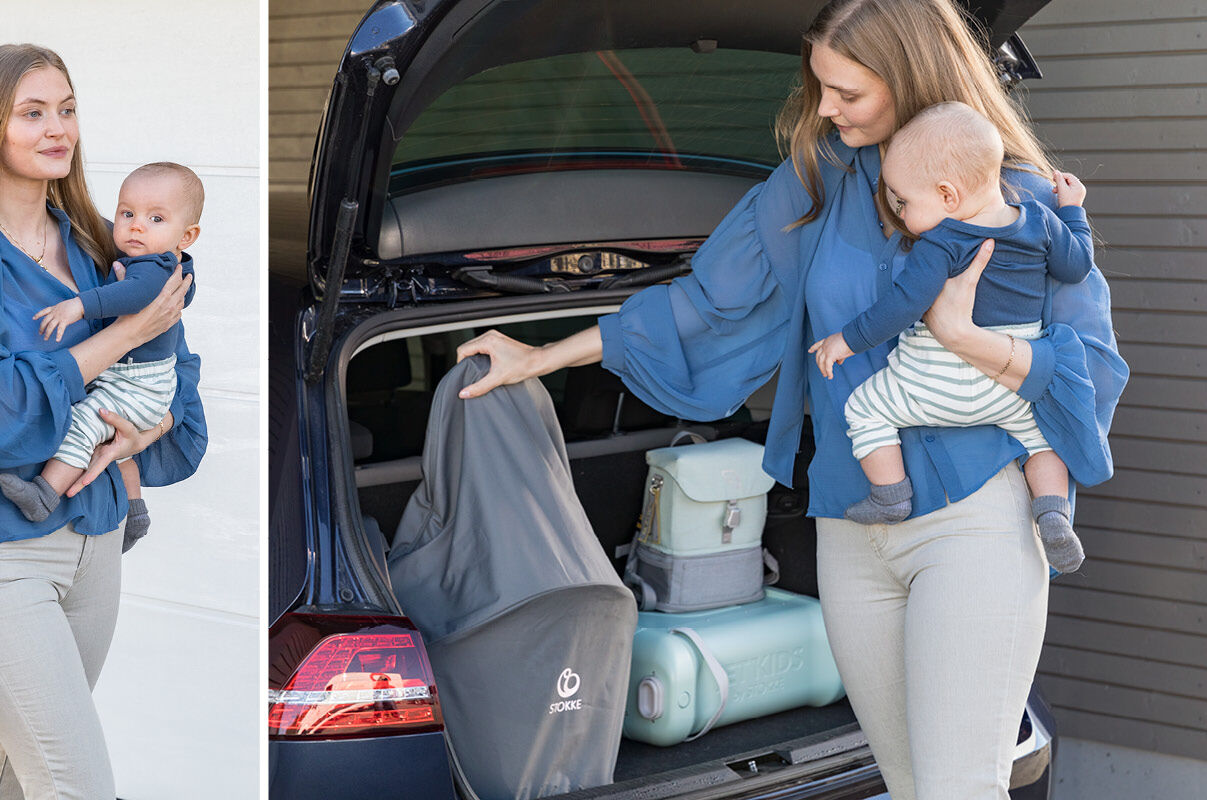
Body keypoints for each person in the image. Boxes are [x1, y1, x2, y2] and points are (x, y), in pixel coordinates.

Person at [454, 1, 1126, 797]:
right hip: (854, 525)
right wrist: (539, 355)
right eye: (821, 88)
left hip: (975, 521)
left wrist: (968, 337)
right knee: (910, 786)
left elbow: (1090, 362)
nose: (826, 110)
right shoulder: (818, 179)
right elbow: (707, 304)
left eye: (848, 92)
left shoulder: (1011, 197)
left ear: (909, 77)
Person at [0, 44, 207, 799]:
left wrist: (140, 432)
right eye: (33, 112)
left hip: (97, 547)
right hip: (3, 556)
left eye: (66, 109)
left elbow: (180, 402)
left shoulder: (104, 239)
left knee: (11, 782)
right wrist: (119, 339)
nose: (57, 128)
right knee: (79, 786)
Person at [807, 102, 1095, 573]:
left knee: (865, 409)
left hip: (932, 380)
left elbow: (902, 306)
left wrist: (847, 340)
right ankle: (1053, 513)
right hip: (1008, 385)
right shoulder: (1041, 222)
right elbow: (1077, 265)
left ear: (947, 195)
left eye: (903, 201)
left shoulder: (940, 242)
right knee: (1042, 442)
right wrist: (1073, 212)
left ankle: (890, 495)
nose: (899, 212)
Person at [0, 161, 205, 554]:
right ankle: (135, 511)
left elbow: (131, 297)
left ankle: (44, 494)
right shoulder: (149, 261)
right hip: (140, 382)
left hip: (138, 383)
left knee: (84, 422)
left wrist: (78, 307)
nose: (136, 225)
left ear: (187, 235)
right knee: (110, 440)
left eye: (156, 218)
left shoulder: (157, 269)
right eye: (127, 213)